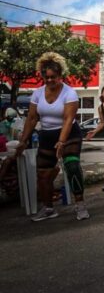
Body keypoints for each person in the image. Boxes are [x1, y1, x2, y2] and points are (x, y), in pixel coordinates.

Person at [15, 52, 89, 221]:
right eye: (46, 77)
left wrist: (61, 141)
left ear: (60, 75)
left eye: (53, 77)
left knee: (72, 166)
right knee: (43, 174)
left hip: (69, 134)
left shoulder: (69, 93)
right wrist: (23, 141)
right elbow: (32, 118)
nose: (49, 80)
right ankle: (48, 208)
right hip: (47, 136)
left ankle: (80, 205)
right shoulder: (37, 93)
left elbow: (68, 119)